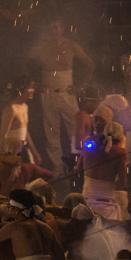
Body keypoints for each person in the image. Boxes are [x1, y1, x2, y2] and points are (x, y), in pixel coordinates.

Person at [29, 18, 95, 178]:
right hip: (48, 93)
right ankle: (58, 169)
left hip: (67, 93)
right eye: (51, 28)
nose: (54, 31)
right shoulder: (43, 46)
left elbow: (90, 65)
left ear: (62, 29)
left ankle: (81, 165)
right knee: (51, 132)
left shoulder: (71, 45)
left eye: (57, 28)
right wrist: (34, 83)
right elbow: (24, 61)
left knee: (76, 129)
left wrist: (81, 86)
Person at [80, 121, 128, 220]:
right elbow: (121, 183)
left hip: (86, 202)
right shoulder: (120, 153)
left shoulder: (88, 148)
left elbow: (77, 169)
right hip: (106, 206)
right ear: (120, 136)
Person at [0, 77, 40, 163]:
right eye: (30, 87)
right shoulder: (11, 109)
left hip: (24, 149)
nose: (33, 90)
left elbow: (25, 132)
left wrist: (34, 152)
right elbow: (3, 136)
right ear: (20, 90)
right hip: (13, 152)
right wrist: (1, 157)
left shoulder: (25, 107)